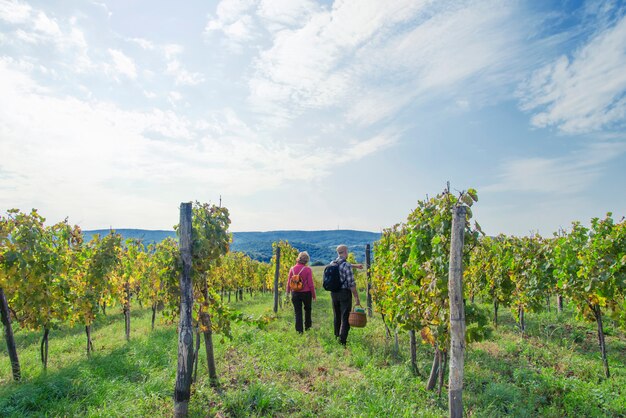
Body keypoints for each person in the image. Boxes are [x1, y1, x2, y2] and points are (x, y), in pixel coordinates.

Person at [330, 244, 363, 345]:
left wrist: (355, 266)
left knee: (337, 315)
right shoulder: (346, 265)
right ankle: (342, 341)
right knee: (345, 317)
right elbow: (351, 284)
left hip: (334, 293)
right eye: (347, 251)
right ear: (345, 252)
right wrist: (356, 297)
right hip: (344, 293)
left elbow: (344, 265)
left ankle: (336, 336)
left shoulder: (332, 263)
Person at [286, 251, 316, 333]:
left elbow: (289, 282)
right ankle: (308, 327)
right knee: (308, 310)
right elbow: (311, 284)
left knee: (297, 312)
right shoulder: (308, 269)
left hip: (295, 293)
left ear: (298, 259)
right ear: (306, 260)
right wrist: (314, 295)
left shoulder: (292, 269)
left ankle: (299, 331)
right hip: (306, 293)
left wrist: (288, 293)